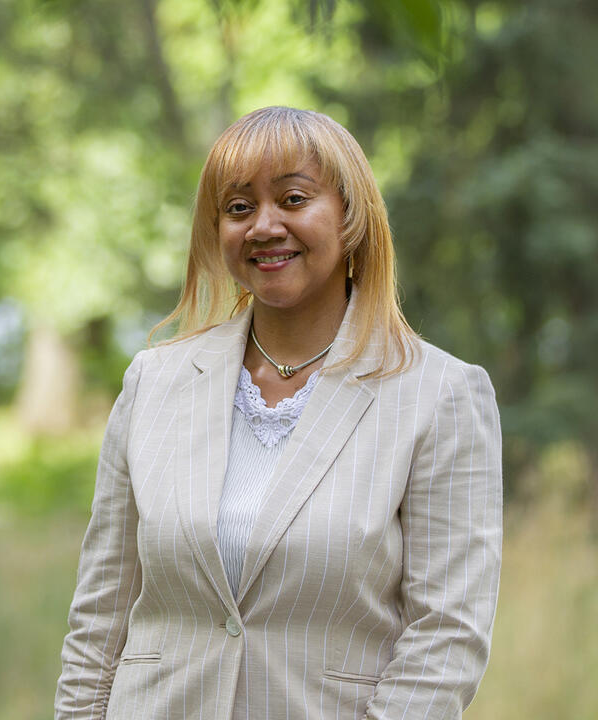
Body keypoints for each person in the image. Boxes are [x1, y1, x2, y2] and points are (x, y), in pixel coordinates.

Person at [55, 106, 502, 720]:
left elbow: (447, 637)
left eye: (293, 199)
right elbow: (100, 613)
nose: (265, 226)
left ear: (352, 216)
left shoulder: (440, 394)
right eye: (239, 208)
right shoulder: (153, 382)